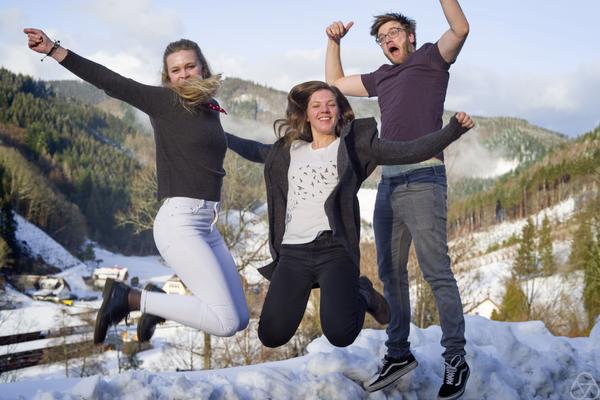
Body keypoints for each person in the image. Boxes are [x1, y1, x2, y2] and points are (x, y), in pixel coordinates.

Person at [24, 28, 249, 344]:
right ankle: (132, 299)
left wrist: (292, 147)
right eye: (176, 70)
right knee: (223, 322)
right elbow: (113, 82)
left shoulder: (208, 110)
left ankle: (156, 304)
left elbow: (239, 144)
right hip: (180, 223)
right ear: (168, 77)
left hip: (206, 225)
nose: (184, 74)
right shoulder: (165, 101)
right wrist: (54, 50)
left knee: (239, 319)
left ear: (203, 68)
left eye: (190, 66)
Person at [226, 81, 473, 351]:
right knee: (271, 335)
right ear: (306, 114)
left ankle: (363, 293)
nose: (324, 110)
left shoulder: (354, 148)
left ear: (339, 111)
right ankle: (355, 292)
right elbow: (251, 149)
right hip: (293, 252)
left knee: (340, 335)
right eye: (316, 105)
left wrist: (452, 131)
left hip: (334, 249)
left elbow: (410, 150)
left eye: (331, 104)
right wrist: (219, 135)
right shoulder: (290, 151)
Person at [325, 1, 470, 398]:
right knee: (391, 275)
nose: (387, 39)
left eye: (393, 32)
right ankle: (398, 353)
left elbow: (459, 28)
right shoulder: (381, 77)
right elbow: (335, 83)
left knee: (436, 271)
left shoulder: (431, 59)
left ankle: (455, 359)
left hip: (425, 177)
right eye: (381, 37)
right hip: (389, 181)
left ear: (409, 36)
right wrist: (333, 41)